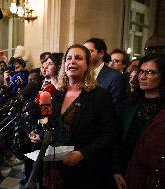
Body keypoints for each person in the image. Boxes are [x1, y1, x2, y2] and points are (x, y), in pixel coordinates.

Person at [30, 44, 120, 188]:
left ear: (87, 65)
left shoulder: (99, 95)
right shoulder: (56, 93)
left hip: (83, 171)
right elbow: (49, 123)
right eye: (69, 58)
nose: (72, 61)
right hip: (52, 168)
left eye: (78, 58)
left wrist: (83, 154)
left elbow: (110, 134)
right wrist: (40, 134)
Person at [113, 53, 164, 189]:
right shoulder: (129, 104)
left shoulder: (162, 111)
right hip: (122, 170)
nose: (142, 77)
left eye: (150, 72)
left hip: (151, 177)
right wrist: (116, 170)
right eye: (141, 71)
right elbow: (116, 139)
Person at [84, 38, 126, 109]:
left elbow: (114, 107)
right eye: (84, 51)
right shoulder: (81, 74)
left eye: (90, 51)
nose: (85, 54)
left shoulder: (115, 77)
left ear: (101, 53)